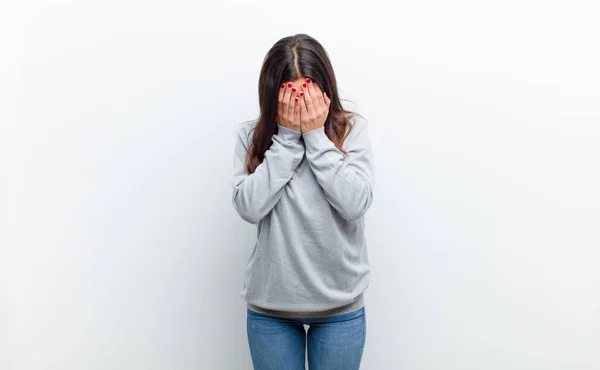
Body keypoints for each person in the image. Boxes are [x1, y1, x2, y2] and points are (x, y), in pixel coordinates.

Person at [231, 33, 375, 370]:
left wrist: (315, 137)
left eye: (307, 96)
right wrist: (287, 141)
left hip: (341, 306)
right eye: (289, 97)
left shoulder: (352, 130)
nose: (300, 106)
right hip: (271, 310)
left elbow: (356, 203)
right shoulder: (250, 137)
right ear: (272, 96)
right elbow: (248, 208)